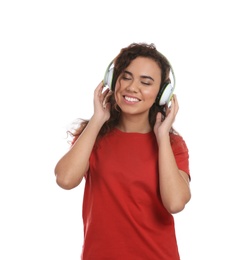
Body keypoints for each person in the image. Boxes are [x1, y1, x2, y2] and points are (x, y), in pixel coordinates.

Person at [54, 42, 191, 260]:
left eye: (145, 82)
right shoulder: (93, 136)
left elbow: (175, 203)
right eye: (126, 77)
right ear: (112, 80)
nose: (132, 87)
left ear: (162, 94)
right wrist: (98, 118)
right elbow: (65, 179)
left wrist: (162, 137)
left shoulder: (172, 145)